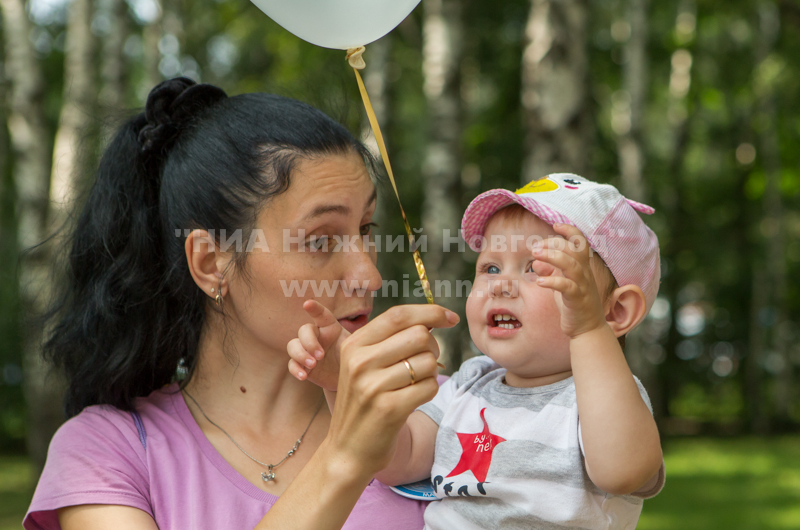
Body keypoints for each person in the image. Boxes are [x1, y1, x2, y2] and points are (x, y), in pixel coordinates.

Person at [24, 77, 458, 530]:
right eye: (321, 240)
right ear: (212, 263)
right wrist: (345, 457)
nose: (370, 276)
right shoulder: (107, 450)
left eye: (365, 230)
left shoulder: (447, 413)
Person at [288, 173, 666, 529]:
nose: (502, 286)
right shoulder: (470, 383)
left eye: (536, 268)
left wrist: (587, 330)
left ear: (616, 311)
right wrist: (343, 380)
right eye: (490, 267)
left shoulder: (605, 399)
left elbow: (622, 472)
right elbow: (396, 460)